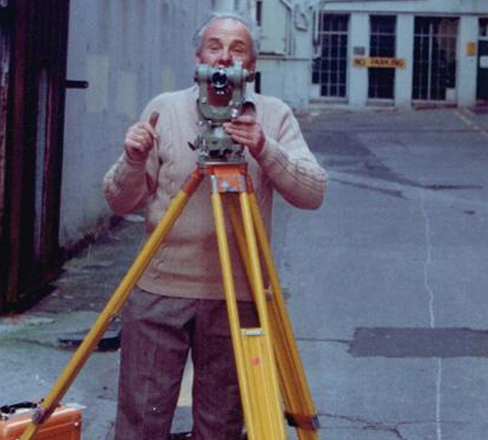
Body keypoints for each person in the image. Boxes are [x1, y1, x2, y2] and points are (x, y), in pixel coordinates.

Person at [102, 12, 327, 440]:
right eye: (215, 47)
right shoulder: (164, 109)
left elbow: (313, 192)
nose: (224, 58)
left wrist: (263, 147)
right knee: (141, 423)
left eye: (237, 49)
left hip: (237, 294)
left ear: (251, 65)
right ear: (198, 57)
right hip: (161, 290)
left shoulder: (273, 116)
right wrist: (132, 159)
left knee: (220, 426)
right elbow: (119, 199)